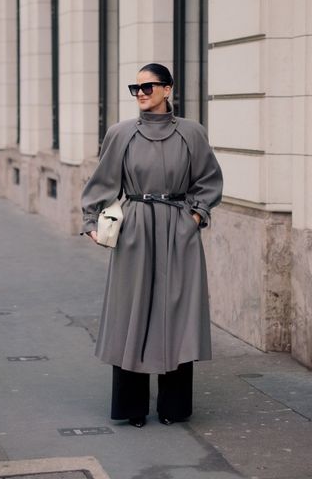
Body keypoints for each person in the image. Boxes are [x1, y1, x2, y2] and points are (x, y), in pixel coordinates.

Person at [81, 63, 223, 428]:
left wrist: (193, 220)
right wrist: (91, 223)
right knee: (132, 312)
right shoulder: (121, 133)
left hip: (179, 230)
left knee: (177, 314)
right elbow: (102, 182)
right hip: (136, 230)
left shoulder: (192, 133)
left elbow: (208, 180)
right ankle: (132, 408)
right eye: (136, 88)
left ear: (167, 89)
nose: (141, 93)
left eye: (148, 87)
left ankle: (173, 407)